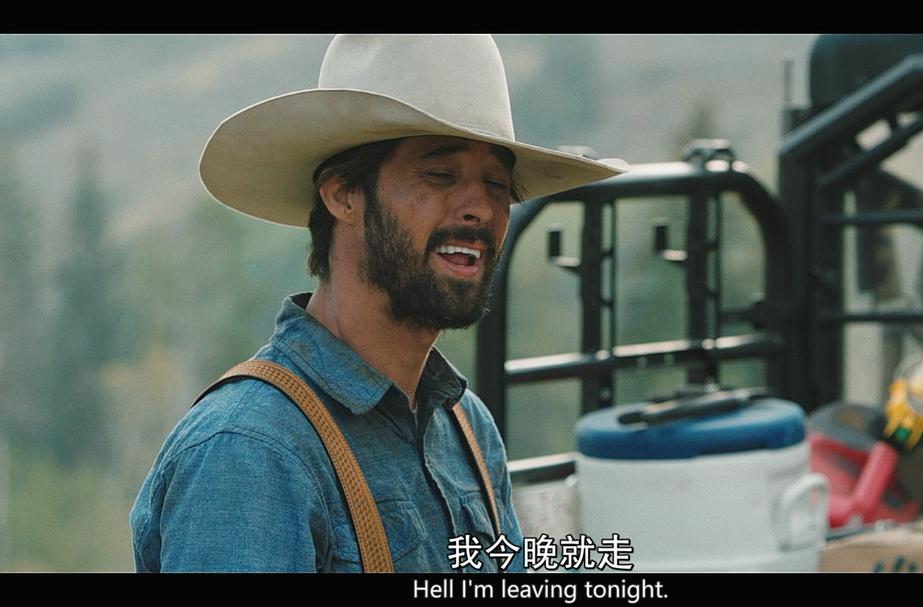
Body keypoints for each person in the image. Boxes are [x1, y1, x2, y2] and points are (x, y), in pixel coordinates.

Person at [128, 34, 625, 572]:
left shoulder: (466, 429)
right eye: (440, 175)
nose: (480, 208)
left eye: (497, 185)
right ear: (342, 194)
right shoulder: (252, 451)